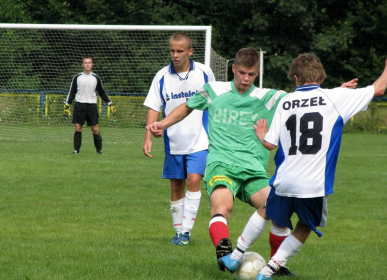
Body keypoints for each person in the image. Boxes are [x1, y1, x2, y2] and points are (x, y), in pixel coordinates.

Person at [147, 48, 357, 274]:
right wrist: (163, 123)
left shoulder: (269, 97)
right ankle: (224, 252)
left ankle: (278, 266)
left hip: (253, 170)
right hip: (222, 165)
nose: (246, 79)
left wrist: (336, 92)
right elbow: (187, 107)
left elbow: (306, 97)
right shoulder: (214, 90)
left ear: (257, 74)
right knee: (222, 207)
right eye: (243, 73)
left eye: (252, 75)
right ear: (234, 69)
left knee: (279, 212)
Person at [220, 53, 387, 280]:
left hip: (284, 179)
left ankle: (234, 256)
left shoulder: (286, 101)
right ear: (321, 75)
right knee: (305, 226)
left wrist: (261, 135)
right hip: (314, 184)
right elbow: (378, 89)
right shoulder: (335, 97)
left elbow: (270, 144)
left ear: (296, 77)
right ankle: (268, 271)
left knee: (267, 210)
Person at [143, 33, 215, 245]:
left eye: (180, 51)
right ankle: (178, 232)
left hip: (200, 138)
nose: (175, 55)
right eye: (172, 51)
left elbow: (214, 101)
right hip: (173, 140)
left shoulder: (204, 73)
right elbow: (154, 106)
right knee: (176, 186)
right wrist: (147, 136)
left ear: (190, 52)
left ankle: (185, 232)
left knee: (194, 180)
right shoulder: (162, 76)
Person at [64, 57, 115, 155]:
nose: (87, 64)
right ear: (82, 64)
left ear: (92, 65)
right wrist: (67, 105)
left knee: (95, 128)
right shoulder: (77, 77)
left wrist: (110, 103)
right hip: (80, 105)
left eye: (89, 63)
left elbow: (102, 92)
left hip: (92, 105)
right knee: (78, 127)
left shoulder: (96, 78)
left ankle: (99, 150)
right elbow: (72, 92)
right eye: (85, 63)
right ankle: (76, 150)